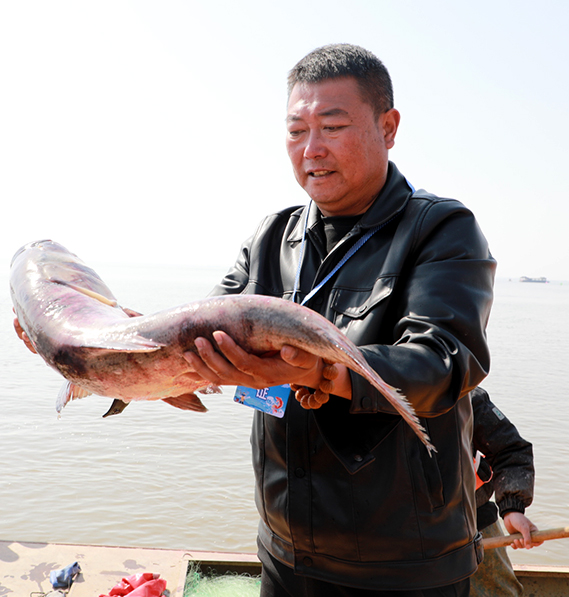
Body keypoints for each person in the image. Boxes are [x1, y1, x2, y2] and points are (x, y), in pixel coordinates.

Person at [180, 44, 496, 596]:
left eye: (332, 125)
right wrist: (111, 344)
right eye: (296, 130)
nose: (312, 149)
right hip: (285, 552)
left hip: (406, 566)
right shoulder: (271, 237)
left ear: (388, 126)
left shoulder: (441, 229)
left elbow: (444, 359)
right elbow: (199, 336)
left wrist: (320, 372)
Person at [469, 387, 542, 597]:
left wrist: (512, 508)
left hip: (472, 522)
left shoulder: (462, 393)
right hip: (390, 536)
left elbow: (509, 450)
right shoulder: (370, 394)